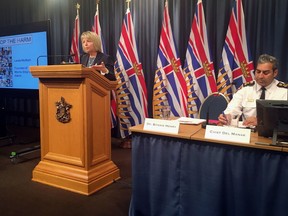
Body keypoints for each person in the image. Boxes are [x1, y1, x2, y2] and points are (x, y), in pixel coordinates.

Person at [218, 54, 288, 126]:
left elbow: (285, 120)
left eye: (265, 73)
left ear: (275, 73)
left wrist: (262, 122)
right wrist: (226, 117)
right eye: (258, 72)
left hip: (274, 135)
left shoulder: (284, 92)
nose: (260, 76)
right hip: (248, 134)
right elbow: (232, 109)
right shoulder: (246, 89)